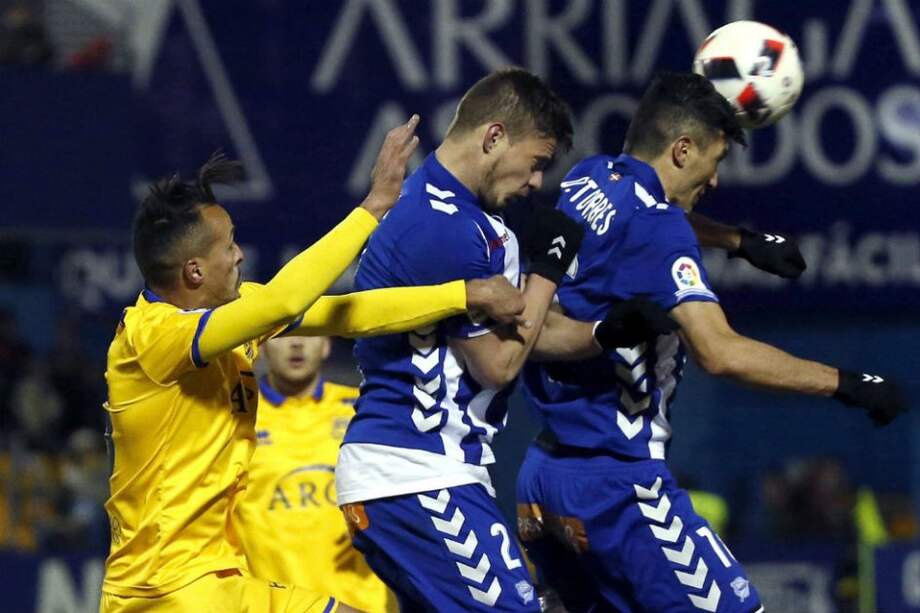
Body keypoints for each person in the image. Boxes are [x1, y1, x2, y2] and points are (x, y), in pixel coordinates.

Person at [335, 67, 796, 612]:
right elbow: (502, 365)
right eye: (535, 164)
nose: (536, 183)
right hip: (416, 472)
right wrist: (547, 271)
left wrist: (602, 332)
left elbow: (532, 338)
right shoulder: (447, 229)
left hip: (417, 472)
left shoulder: (442, 208)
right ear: (494, 137)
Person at [100, 116, 530, 613]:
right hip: (164, 590)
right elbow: (284, 302)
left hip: (215, 577)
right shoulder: (150, 337)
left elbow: (350, 314)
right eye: (229, 245)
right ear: (194, 270)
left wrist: (463, 294)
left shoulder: (228, 319)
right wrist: (372, 209)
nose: (240, 254)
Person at [515, 71, 908, 613]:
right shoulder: (659, 230)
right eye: (714, 161)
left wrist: (737, 240)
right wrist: (846, 383)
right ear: (682, 149)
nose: (716, 180)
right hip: (618, 487)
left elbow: (647, 215)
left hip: (544, 476)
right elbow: (720, 352)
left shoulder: (590, 179)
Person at [235, 334, 396, 612]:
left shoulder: (364, 412)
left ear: (326, 344)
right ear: (260, 346)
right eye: (283, 335)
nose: (297, 343)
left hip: (363, 602)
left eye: (310, 332)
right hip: (278, 603)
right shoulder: (234, 420)